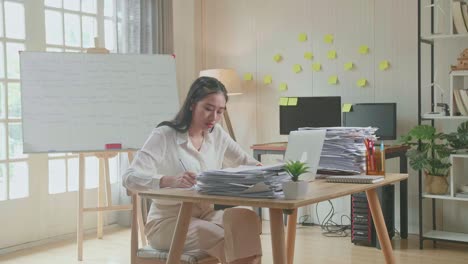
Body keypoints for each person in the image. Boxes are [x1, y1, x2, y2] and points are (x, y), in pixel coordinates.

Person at [122, 76, 262, 264]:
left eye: (220, 112)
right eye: (208, 109)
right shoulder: (165, 135)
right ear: (192, 104)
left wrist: (274, 172)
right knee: (226, 238)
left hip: (206, 215)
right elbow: (130, 178)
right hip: (168, 223)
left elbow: (248, 163)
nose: (214, 118)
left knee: (246, 222)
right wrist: (170, 180)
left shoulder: (217, 134)